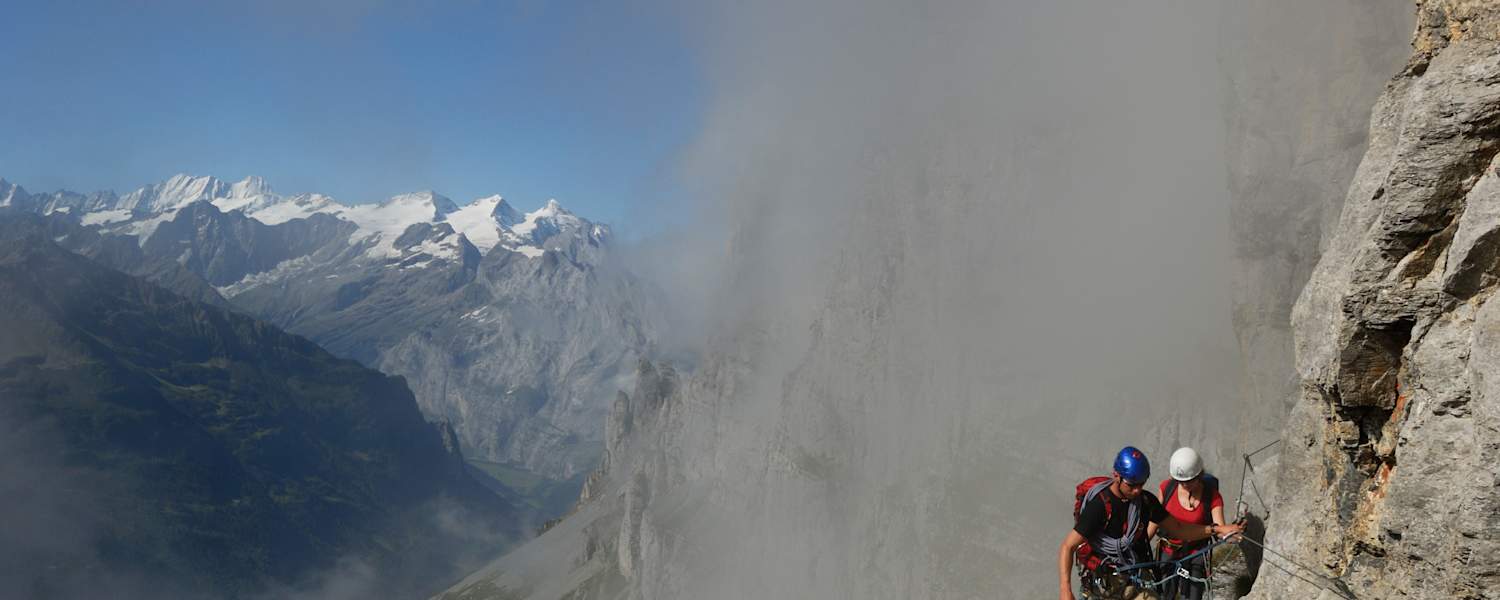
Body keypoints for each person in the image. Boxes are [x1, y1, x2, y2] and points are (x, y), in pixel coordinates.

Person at [1058, 447, 1243, 600]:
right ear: (1117, 476)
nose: (1138, 490)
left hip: (1134, 577)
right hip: (1104, 579)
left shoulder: (1145, 502)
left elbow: (1179, 529)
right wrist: (1065, 589)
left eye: (1142, 483)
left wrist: (1217, 529)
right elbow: (1068, 546)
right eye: (1132, 485)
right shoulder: (1100, 505)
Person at [1147, 447, 1225, 600]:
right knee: (1163, 595)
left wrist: (1232, 534)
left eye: (1189, 481)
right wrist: (1139, 548)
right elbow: (1154, 521)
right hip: (1168, 549)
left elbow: (1220, 527)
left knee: (1192, 597)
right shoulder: (1167, 488)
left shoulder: (1212, 496)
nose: (1185, 485)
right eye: (1180, 481)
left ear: (1199, 475)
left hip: (1196, 553)